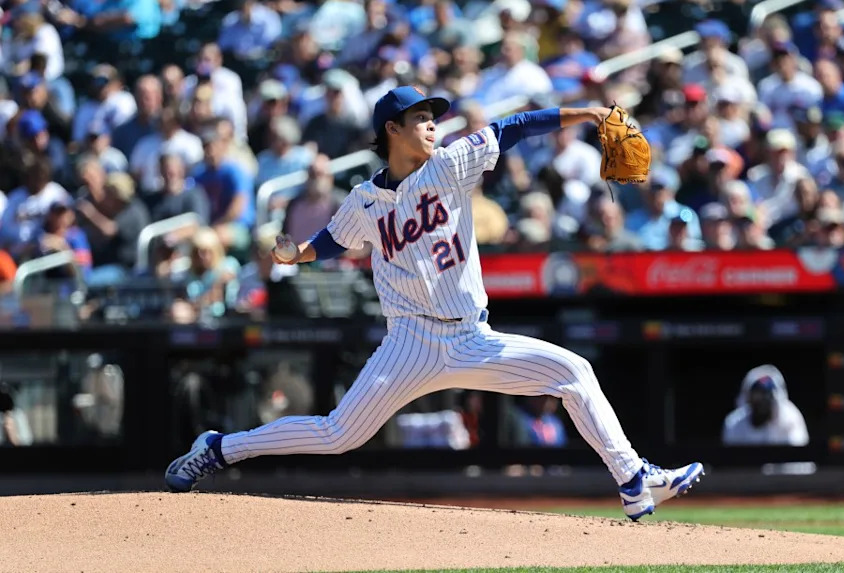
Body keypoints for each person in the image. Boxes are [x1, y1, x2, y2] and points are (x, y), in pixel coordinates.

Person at [165, 86, 703, 520]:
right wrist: (298, 253)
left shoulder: (450, 165)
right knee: (337, 435)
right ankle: (218, 447)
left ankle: (635, 482)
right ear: (391, 131)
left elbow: (510, 128)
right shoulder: (365, 200)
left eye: (433, 116)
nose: (432, 124)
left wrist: (585, 111)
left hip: (473, 337)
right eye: (420, 117)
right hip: (410, 342)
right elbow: (332, 240)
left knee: (574, 372)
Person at [721, 365, 809, 447]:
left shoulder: (790, 420)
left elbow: (796, 459)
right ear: (748, 397)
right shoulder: (734, 424)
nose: (763, 400)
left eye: (768, 395)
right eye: (758, 395)